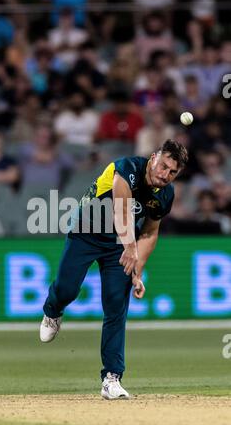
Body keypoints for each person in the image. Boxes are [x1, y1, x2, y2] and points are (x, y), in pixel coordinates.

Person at [40, 139, 188, 399]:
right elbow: (121, 210)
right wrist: (129, 246)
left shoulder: (165, 195)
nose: (164, 175)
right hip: (86, 231)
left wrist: (137, 271)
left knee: (116, 304)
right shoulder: (126, 168)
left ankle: (112, 378)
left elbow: (150, 234)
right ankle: (53, 310)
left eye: (172, 172)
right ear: (154, 157)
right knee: (67, 288)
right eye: (163, 166)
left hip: (119, 247)